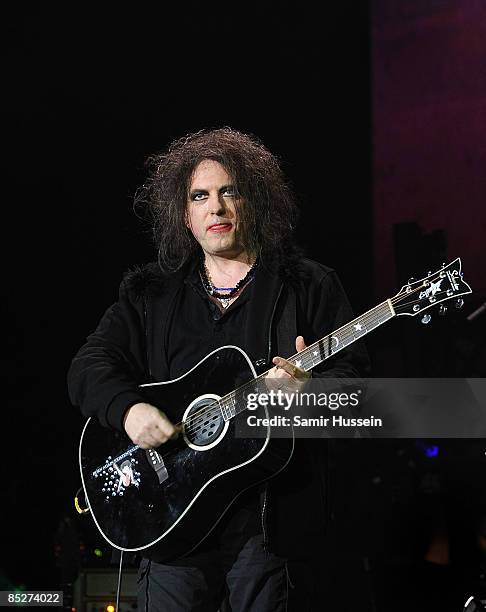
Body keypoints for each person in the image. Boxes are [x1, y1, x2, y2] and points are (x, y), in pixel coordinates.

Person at [68, 127, 369, 611]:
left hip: (269, 527)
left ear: (255, 202)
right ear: (184, 215)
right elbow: (88, 365)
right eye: (200, 196)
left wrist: (311, 394)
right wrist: (128, 411)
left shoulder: (308, 286)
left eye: (231, 191)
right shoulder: (152, 296)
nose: (217, 207)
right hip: (169, 525)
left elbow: (361, 394)